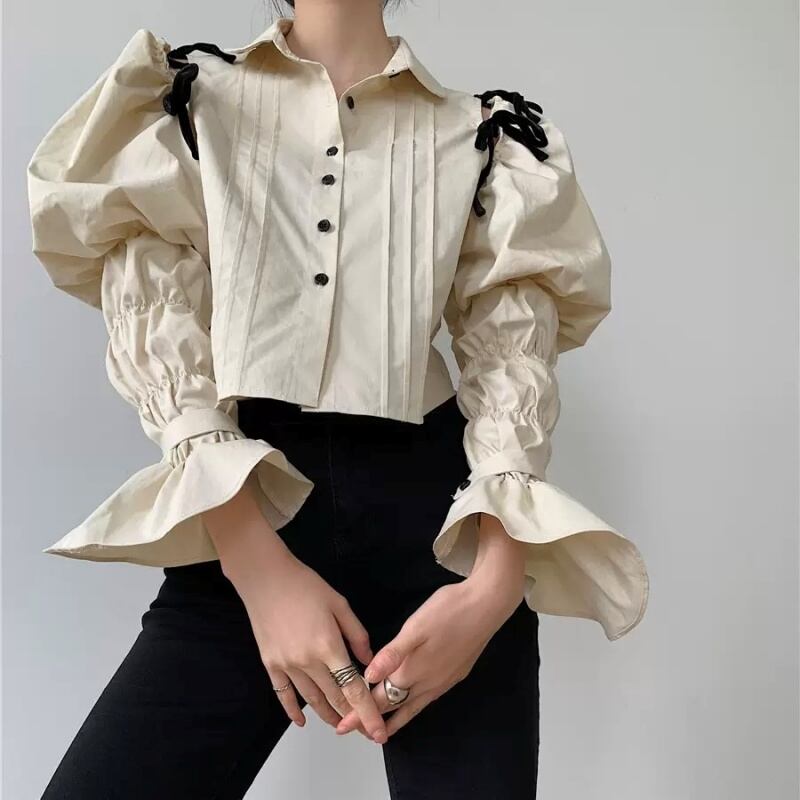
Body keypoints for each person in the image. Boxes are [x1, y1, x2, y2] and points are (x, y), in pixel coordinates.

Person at [27, 1, 650, 797]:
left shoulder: (487, 137)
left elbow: (511, 365)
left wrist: (493, 589)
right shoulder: (181, 100)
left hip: (447, 544)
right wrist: (254, 565)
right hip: (250, 514)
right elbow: (157, 321)